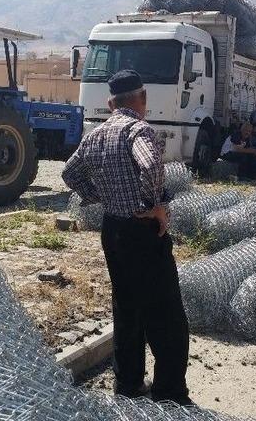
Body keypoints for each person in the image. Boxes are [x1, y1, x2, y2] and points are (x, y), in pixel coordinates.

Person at [62, 70, 191, 405]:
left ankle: (129, 384)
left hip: (114, 230)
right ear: (143, 98)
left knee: (127, 308)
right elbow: (150, 166)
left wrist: (98, 195)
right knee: (166, 314)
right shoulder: (138, 129)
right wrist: (154, 206)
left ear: (110, 103)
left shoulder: (96, 135)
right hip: (142, 232)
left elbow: (68, 172)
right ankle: (169, 392)